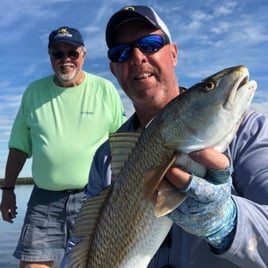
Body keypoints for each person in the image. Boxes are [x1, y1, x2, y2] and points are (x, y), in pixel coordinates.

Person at [64, 5, 268, 268]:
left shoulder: (249, 131)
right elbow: (78, 243)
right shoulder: (106, 157)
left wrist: (228, 223)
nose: (137, 57)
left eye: (149, 44)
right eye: (122, 52)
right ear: (114, 70)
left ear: (173, 54)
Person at [0, 26, 126, 268]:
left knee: (98, 262)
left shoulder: (104, 89)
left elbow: (122, 145)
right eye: (58, 54)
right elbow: (19, 147)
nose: (65, 60)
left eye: (72, 53)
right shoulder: (33, 92)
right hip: (43, 200)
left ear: (84, 55)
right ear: (50, 57)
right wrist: (7, 190)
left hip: (94, 198)